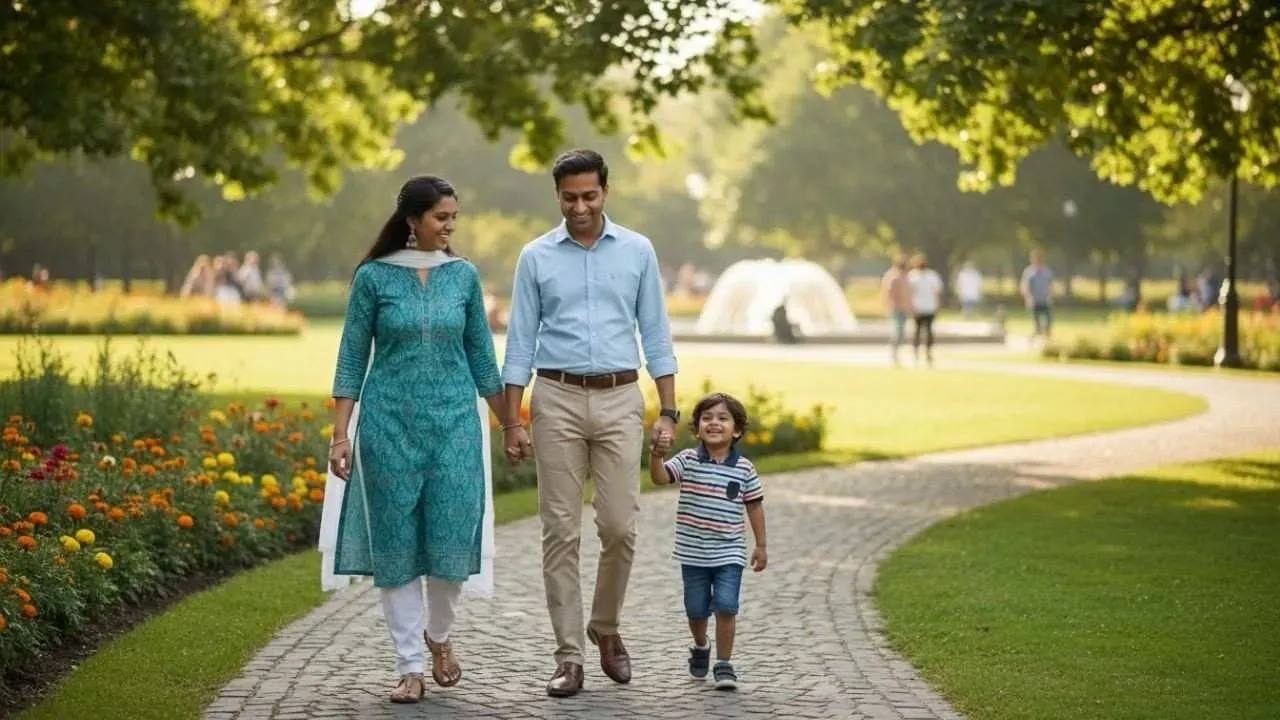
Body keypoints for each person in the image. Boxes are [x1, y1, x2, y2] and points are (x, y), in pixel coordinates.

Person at [324, 175, 510, 704]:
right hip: (387, 425)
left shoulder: (463, 276)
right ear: (412, 221)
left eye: (454, 217)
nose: (451, 226)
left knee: (451, 542)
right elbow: (351, 357)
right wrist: (340, 436)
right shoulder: (374, 279)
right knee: (396, 547)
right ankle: (409, 666)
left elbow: (481, 357)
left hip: (454, 424)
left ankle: (439, 636)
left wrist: (511, 424)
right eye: (441, 218)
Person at [501, 149, 679, 698]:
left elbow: (656, 334)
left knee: (621, 527)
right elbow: (519, 344)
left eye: (589, 196)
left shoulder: (637, 251)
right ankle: (569, 657)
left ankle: (606, 627)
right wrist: (512, 420)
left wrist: (669, 411)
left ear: (606, 192)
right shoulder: (535, 256)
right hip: (554, 397)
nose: (580, 206)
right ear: (557, 196)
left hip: (621, 396)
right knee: (560, 531)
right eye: (569, 197)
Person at [649, 392, 766, 691]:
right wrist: (656, 455)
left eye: (723, 418)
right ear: (697, 426)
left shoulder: (744, 469)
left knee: (727, 605)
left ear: (736, 430)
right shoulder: (688, 460)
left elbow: (754, 505)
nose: (714, 423)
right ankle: (701, 645)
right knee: (695, 609)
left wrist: (761, 545)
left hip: (729, 552)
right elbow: (660, 478)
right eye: (707, 418)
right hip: (693, 553)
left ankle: (724, 664)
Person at [908, 253, 943, 366]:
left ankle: (919, 352)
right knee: (926, 331)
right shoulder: (931, 276)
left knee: (919, 331)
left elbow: (910, 293)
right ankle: (925, 353)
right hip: (927, 307)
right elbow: (936, 293)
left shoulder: (913, 276)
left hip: (920, 308)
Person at [881, 253, 913, 365]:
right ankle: (894, 352)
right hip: (897, 308)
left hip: (903, 307)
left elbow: (908, 293)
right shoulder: (893, 276)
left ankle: (897, 351)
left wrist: (909, 306)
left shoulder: (905, 276)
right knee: (898, 331)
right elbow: (891, 293)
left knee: (901, 331)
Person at [1020, 250, 1055, 337]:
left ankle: (1048, 336)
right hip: (1034, 300)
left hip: (1045, 299)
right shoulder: (1029, 271)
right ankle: (1035, 335)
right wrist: (1028, 298)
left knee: (1048, 320)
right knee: (1036, 322)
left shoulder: (1047, 271)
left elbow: (1051, 285)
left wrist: (1051, 296)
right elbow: (1025, 286)